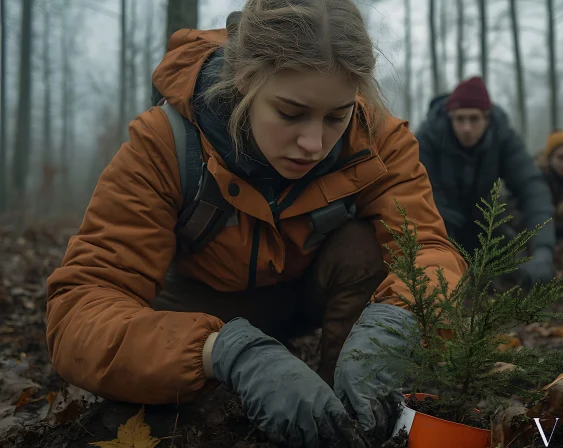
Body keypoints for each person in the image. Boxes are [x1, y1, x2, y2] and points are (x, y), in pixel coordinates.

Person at [44, 2, 467, 447]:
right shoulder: (164, 144)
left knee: (364, 248)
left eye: (336, 117)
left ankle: (343, 414)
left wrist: (399, 319)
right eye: (290, 113)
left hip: (304, 297)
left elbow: (429, 250)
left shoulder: (377, 139)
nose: (313, 143)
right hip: (196, 313)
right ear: (245, 79)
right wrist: (222, 352)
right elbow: (82, 308)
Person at [416, 76, 556, 287]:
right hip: (439, 228)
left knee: (518, 272)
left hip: (484, 224)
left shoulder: (504, 137)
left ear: (487, 118)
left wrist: (543, 249)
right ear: (449, 116)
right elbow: (418, 198)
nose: (466, 128)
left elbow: (532, 187)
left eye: (474, 119)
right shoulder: (427, 138)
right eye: (460, 119)